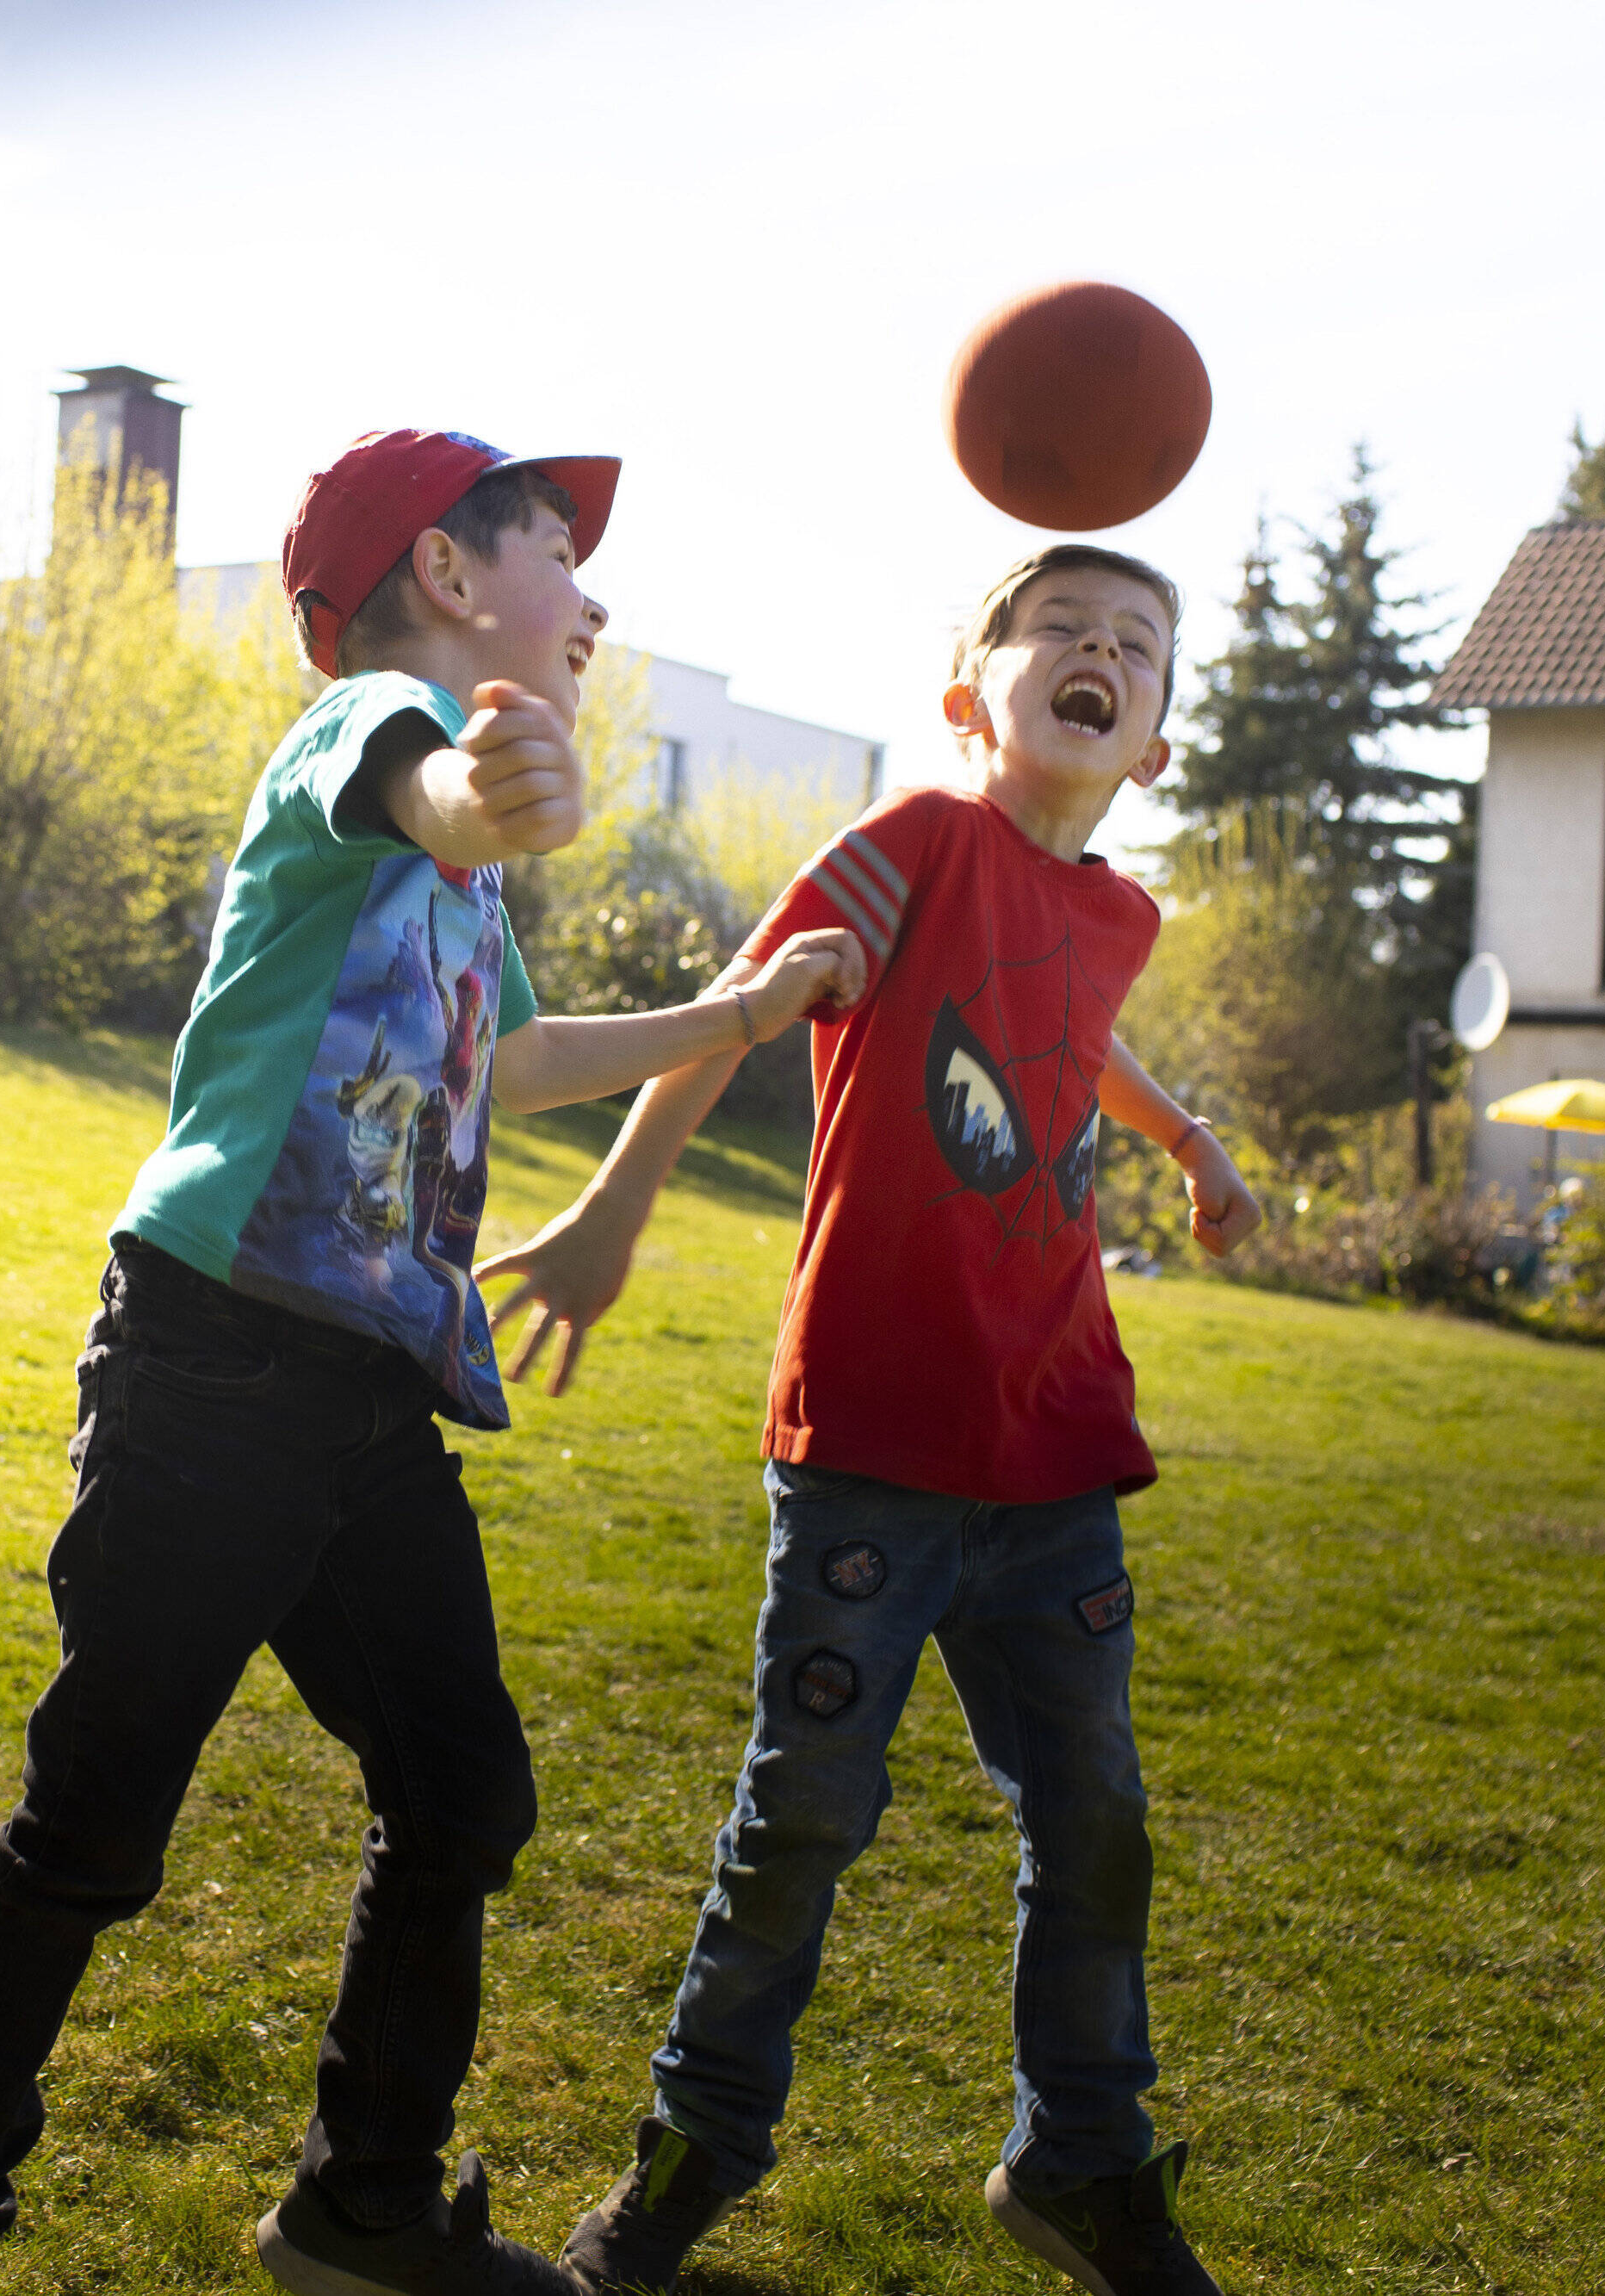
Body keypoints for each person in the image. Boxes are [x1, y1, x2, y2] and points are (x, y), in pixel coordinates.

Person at [0, 429, 868, 2296]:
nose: (596, 597)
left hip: (368, 1402)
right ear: (450, 577)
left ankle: (362, 2207)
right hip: (216, 1365)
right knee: (95, 1826)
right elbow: (442, 798)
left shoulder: (460, 886)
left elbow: (516, 1063)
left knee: (461, 1790)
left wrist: (738, 1013)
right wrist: (493, 790)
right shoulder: (360, 735)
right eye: (556, 548)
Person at [477, 543, 1264, 2296]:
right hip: (872, 1451)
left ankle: (1079, 2159)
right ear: (964, 691)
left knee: (1097, 1818)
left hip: (1056, 1449)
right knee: (804, 1815)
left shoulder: (1120, 911)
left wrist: (1185, 1138)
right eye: (1054, 627)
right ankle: (683, 2166)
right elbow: (734, 1012)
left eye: (1134, 645)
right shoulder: (911, 845)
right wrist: (615, 1210)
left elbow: (1078, 1029)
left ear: (1151, 743)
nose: (1097, 651)